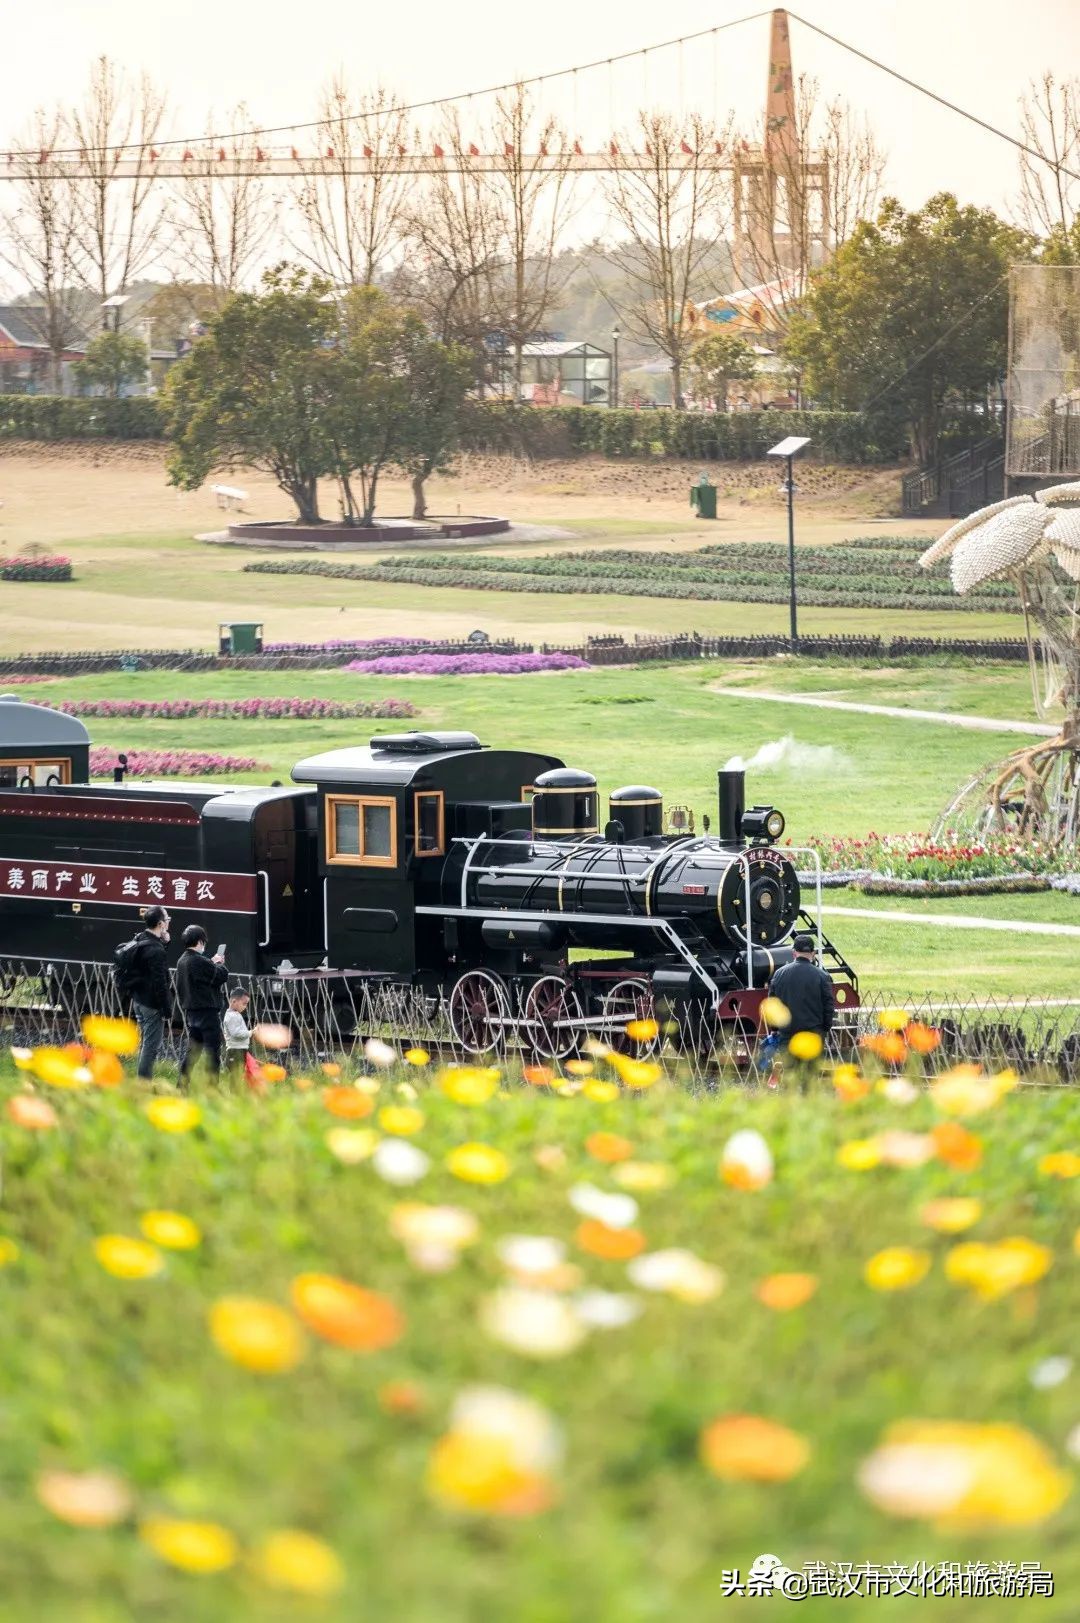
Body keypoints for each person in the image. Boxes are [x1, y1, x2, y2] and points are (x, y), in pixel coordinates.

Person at [175, 925, 228, 1083]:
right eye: (203, 942)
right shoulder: (199, 960)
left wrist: (210, 962)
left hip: (192, 1012)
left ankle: (182, 1084)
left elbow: (200, 974)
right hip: (207, 1011)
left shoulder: (182, 960)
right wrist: (218, 964)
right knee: (213, 1052)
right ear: (200, 941)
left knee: (193, 1052)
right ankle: (212, 1088)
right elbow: (221, 976)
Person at [126, 906, 172, 1081]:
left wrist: (165, 943)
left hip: (139, 1000)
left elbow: (148, 965)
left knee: (145, 1043)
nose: (168, 922)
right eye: (167, 919)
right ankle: (143, 1084)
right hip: (152, 1004)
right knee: (150, 1047)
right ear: (160, 924)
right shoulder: (156, 949)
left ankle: (141, 1080)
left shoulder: (140, 939)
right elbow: (160, 982)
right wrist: (167, 1010)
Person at [768, 933, 835, 1052]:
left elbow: (773, 1004)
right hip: (813, 1034)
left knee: (791, 1070)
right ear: (813, 954)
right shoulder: (822, 976)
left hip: (787, 1034)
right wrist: (825, 1028)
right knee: (811, 1070)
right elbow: (828, 1005)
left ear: (794, 953)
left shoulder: (779, 974)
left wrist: (774, 1029)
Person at [222, 987, 252, 1084]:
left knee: (239, 1074)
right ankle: (234, 1095)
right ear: (234, 1001)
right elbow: (236, 1034)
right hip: (234, 1051)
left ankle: (237, 1093)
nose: (245, 1006)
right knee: (235, 1075)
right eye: (244, 1004)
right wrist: (251, 1032)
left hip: (239, 1049)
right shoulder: (231, 1017)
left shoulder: (235, 1014)